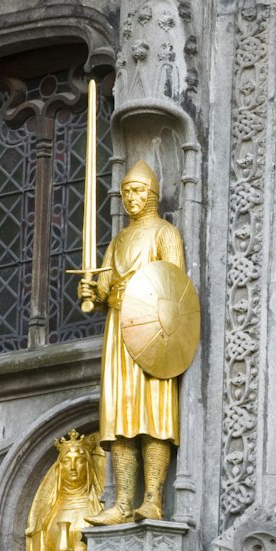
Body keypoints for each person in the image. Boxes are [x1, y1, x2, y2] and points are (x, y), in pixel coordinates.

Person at [79, 160, 184, 524]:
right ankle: (122, 503)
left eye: (137, 191)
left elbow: (175, 285)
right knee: (120, 416)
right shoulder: (119, 240)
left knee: (152, 415)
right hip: (118, 329)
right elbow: (105, 288)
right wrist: (93, 288)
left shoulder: (164, 233)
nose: (130, 199)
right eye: (125, 192)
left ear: (152, 194)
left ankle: (153, 499)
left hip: (152, 330)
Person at [19, 429, 104, 551]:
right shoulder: (46, 514)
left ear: (89, 465)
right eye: (67, 461)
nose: (73, 467)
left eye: (80, 460)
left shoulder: (99, 509)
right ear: (59, 467)